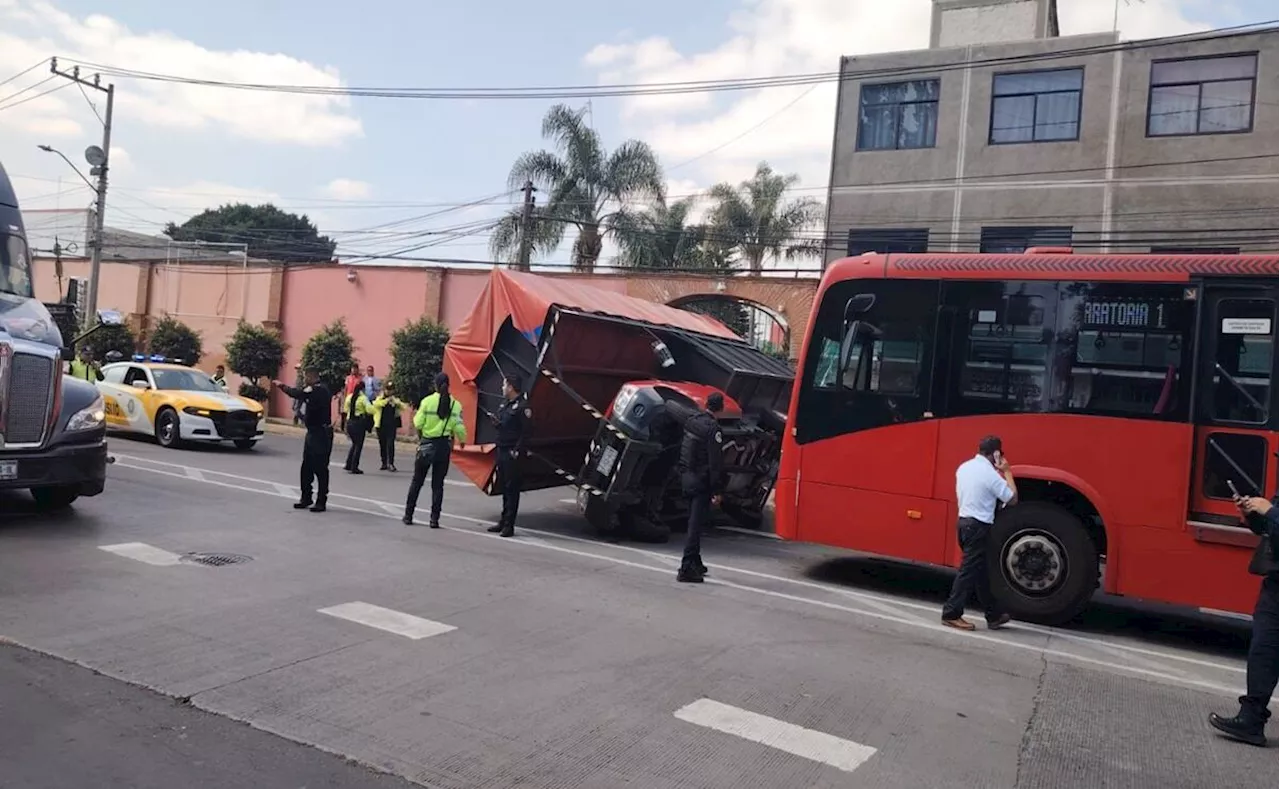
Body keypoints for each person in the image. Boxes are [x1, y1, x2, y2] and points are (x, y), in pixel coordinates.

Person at [1209, 491, 1280, 746]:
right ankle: (1251, 720)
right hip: (1276, 585)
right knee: (1263, 651)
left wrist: (1270, 511)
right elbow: (1269, 530)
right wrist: (1252, 514)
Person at [942, 435, 1018, 631]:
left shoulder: (964, 467)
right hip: (978, 527)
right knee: (968, 572)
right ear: (995, 454)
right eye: (1000, 454)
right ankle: (951, 613)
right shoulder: (990, 474)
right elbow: (1012, 499)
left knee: (981, 572)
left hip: (963, 524)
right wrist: (1007, 472)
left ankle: (994, 615)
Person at [403, 372, 466, 528]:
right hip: (443, 447)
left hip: (427, 445)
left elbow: (418, 423)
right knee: (438, 485)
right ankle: (434, 519)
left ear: (435, 385)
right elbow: (459, 426)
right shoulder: (455, 405)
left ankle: (408, 515)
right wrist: (462, 441)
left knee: (417, 482)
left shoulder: (427, 401)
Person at [676, 393, 726, 583]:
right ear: (720, 408)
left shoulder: (692, 421)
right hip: (701, 482)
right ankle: (686, 567)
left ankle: (695, 561)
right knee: (695, 526)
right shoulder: (713, 429)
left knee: (693, 522)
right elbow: (715, 463)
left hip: (687, 477)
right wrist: (717, 490)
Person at [272, 367, 332, 513]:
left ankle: (321, 501)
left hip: (321, 433)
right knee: (306, 467)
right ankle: (306, 497)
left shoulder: (320, 390)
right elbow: (301, 396)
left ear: (312, 377)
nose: (305, 380)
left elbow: (297, 394)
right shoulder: (312, 390)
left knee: (320, 468)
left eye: (306, 377)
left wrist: (281, 386)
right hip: (312, 432)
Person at [486, 375, 530, 538]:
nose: (502, 388)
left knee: (512, 490)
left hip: (513, 453)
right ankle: (503, 521)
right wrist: (496, 423)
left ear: (511, 387)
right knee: (504, 487)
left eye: (504, 385)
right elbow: (505, 425)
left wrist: (517, 451)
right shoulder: (505, 405)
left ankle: (509, 526)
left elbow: (526, 432)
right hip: (502, 449)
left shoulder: (522, 407)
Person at [372, 382, 408, 471]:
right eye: (388, 389)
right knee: (382, 444)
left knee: (390, 444)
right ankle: (384, 462)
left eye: (391, 389)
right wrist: (386, 401)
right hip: (381, 425)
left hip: (391, 425)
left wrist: (395, 402)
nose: (389, 391)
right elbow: (376, 404)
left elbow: (404, 407)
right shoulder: (380, 398)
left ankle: (391, 463)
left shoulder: (394, 400)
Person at [342, 380, 372, 474]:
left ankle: (348, 464)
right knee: (358, 445)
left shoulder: (349, 397)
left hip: (349, 423)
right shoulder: (363, 398)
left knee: (354, 444)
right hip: (358, 424)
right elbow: (370, 410)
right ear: (363, 389)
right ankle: (354, 467)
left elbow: (346, 410)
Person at [339, 363, 361, 432]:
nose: (354, 370)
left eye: (355, 369)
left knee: (352, 413)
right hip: (348, 397)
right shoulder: (348, 378)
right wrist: (345, 396)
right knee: (345, 412)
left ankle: (351, 427)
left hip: (355, 398)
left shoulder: (359, 378)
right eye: (353, 369)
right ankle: (343, 427)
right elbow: (346, 387)